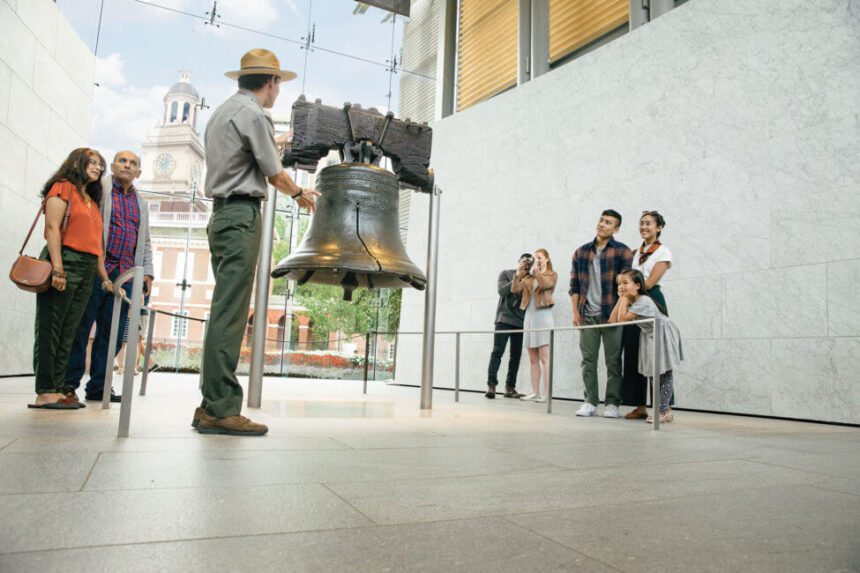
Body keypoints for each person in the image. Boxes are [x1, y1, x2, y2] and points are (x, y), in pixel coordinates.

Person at [195, 48, 319, 436]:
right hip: (241, 217)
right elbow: (274, 175)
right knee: (231, 313)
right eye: (279, 84)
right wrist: (300, 193)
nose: (279, 91)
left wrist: (275, 141)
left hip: (222, 215)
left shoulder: (224, 112)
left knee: (224, 309)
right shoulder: (254, 114)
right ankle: (220, 408)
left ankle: (209, 404)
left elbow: (243, 156)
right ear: (272, 82)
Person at [64, 150, 154, 403]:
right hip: (97, 270)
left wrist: (147, 273)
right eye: (122, 161)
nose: (127, 165)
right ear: (113, 166)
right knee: (82, 327)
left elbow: (144, 240)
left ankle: (99, 387)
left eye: (133, 163)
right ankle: (69, 385)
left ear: (139, 173)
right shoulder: (98, 190)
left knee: (113, 333)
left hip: (126, 276)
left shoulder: (141, 204)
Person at [30, 148, 113, 410]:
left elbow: (96, 247)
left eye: (101, 165)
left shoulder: (90, 199)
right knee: (50, 328)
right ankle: (45, 391)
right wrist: (57, 268)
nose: (98, 168)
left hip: (87, 269)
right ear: (77, 162)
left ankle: (59, 388)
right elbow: (53, 228)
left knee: (71, 331)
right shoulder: (63, 187)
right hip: (64, 260)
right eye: (93, 163)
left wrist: (105, 279)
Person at [569, 209, 633, 417]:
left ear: (616, 228)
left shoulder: (623, 251)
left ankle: (613, 403)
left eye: (608, 222)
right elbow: (575, 285)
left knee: (613, 361)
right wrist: (575, 312)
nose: (602, 224)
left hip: (612, 314)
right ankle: (590, 401)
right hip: (587, 314)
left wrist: (618, 314)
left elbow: (625, 288)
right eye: (601, 220)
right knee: (588, 360)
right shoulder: (581, 252)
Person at [609, 269, 683, 423]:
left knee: (664, 374)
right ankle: (664, 410)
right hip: (650, 335)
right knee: (654, 374)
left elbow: (621, 320)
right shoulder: (632, 301)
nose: (621, 286)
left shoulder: (643, 301)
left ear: (637, 285)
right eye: (619, 284)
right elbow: (612, 321)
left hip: (662, 333)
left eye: (625, 283)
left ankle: (663, 411)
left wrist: (622, 299)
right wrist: (621, 299)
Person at [622, 211, 672, 419]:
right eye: (641, 223)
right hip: (634, 301)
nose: (644, 227)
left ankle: (664, 408)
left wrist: (630, 289)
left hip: (651, 301)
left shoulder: (663, 252)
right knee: (634, 353)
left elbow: (649, 282)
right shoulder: (635, 253)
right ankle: (640, 405)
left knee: (656, 357)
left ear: (659, 227)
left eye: (649, 224)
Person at [512, 249, 557, 403]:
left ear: (547, 259)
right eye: (534, 257)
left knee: (545, 358)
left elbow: (545, 285)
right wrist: (519, 272)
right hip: (529, 318)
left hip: (543, 317)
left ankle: (546, 394)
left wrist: (536, 270)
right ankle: (535, 392)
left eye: (539, 257)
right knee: (533, 358)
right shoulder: (529, 278)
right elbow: (515, 290)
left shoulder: (551, 275)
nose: (536, 260)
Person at [484, 253, 530, 399]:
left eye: (529, 263)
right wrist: (517, 276)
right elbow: (502, 291)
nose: (526, 264)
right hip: (503, 319)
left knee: (516, 356)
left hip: (520, 322)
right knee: (497, 352)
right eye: (524, 261)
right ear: (518, 261)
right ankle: (491, 385)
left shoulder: (530, 279)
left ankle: (510, 388)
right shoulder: (506, 273)